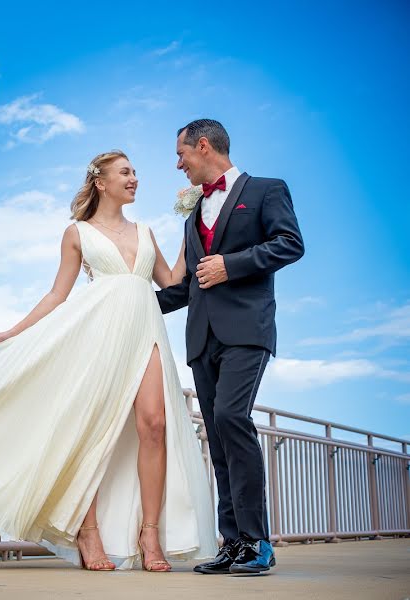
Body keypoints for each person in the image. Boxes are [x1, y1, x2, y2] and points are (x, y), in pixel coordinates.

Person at [0, 150, 217, 571]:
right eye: (125, 172)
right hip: (98, 333)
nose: (135, 178)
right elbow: (57, 294)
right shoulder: (77, 233)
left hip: (146, 330)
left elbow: (173, 281)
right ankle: (88, 534)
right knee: (89, 432)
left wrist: (190, 226)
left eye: (136, 172)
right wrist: (14, 332)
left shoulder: (145, 230)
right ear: (101, 182)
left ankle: (150, 533)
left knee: (155, 425)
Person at [156, 119, 304, 574]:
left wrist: (232, 266)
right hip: (202, 339)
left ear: (203, 146)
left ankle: (258, 541)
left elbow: (290, 244)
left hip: (246, 331)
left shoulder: (266, 189)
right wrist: (129, 302)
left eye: (181, 154)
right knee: (218, 438)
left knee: (231, 417)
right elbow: (188, 288)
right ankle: (233, 543)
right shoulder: (191, 213)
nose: (177, 163)